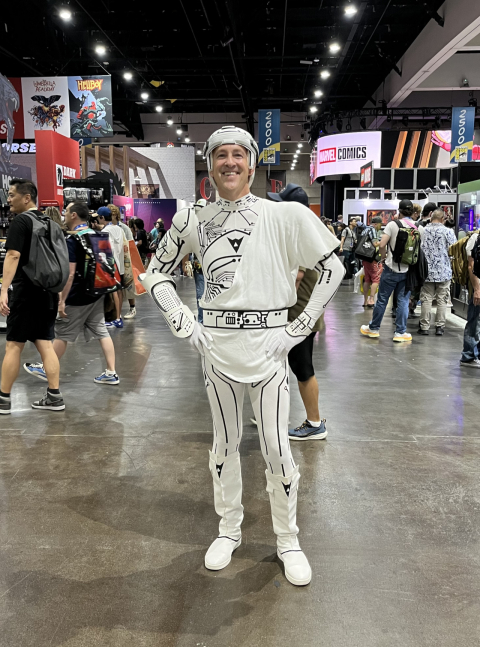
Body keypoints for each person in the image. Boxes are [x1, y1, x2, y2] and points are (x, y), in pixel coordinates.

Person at [143, 125, 344, 586]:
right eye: (220, 155)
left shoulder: (286, 215)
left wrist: (298, 326)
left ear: (251, 164)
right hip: (216, 348)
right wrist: (183, 321)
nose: (229, 162)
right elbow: (156, 274)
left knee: (276, 447)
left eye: (238, 154)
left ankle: (288, 538)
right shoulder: (190, 218)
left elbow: (333, 266)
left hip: (270, 349)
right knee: (224, 443)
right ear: (210, 164)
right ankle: (229, 529)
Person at [23, 202, 120, 385]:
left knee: (63, 333)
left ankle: (46, 368)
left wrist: (62, 300)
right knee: (101, 330)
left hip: (78, 296)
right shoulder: (98, 235)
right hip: (98, 292)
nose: (64, 215)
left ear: (74, 215)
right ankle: (111, 371)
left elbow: (70, 274)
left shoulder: (73, 240)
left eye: (66, 211)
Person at [266, 183, 331, 442]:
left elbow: (295, 279)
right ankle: (270, 412)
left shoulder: (302, 235)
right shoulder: (305, 232)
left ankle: (315, 423)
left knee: (303, 368)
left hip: (298, 316)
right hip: (299, 314)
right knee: (282, 365)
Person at [0, 178, 65, 414]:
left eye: (12, 195)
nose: (8, 200)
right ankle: (55, 397)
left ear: (27, 198)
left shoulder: (21, 222)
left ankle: (3, 400)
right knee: (46, 345)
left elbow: (13, 256)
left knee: (13, 346)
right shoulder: (51, 222)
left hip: (26, 293)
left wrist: (3, 289)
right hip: (48, 292)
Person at [360, 199, 418, 342]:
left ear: (399, 211)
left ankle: (374, 329)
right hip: (407, 270)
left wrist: (384, 257)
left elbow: (382, 244)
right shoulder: (417, 227)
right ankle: (400, 333)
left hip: (391, 268)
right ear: (412, 212)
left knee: (382, 300)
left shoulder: (392, 225)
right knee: (403, 301)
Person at [418, 209, 456, 336]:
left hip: (426, 271)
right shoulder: (448, 231)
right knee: (442, 300)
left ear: (430, 217)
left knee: (426, 299)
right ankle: (439, 326)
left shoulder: (423, 231)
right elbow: (454, 250)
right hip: (444, 270)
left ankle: (424, 326)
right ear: (442, 219)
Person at [97, 206, 124, 329]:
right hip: (120, 263)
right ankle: (119, 316)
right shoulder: (119, 228)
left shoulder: (105, 231)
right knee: (119, 290)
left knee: (113, 291)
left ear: (102, 217)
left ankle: (117, 319)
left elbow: (107, 249)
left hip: (111, 263)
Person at [108, 203, 136, 320]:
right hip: (114, 260)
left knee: (128, 285)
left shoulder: (123, 228)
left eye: (112, 214)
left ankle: (132, 307)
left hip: (124, 259)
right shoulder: (106, 227)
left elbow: (130, 243)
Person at [460, 229, 480, 367]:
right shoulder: (475, 239)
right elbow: (471, 266)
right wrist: (477, 289)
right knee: (474, 319)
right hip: (478, 286)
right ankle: (469, 354)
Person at [362, 216, 384, 308]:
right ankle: (371, 299)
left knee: (367, 279)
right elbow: (375, 244)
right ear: (376, 224)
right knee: (376, 279)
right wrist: (383, 241)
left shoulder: (365, 230)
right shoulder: (373, 230)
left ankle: (365, 301)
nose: (380, 226)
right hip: (372, 258)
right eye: (380, 224)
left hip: (364, 257)